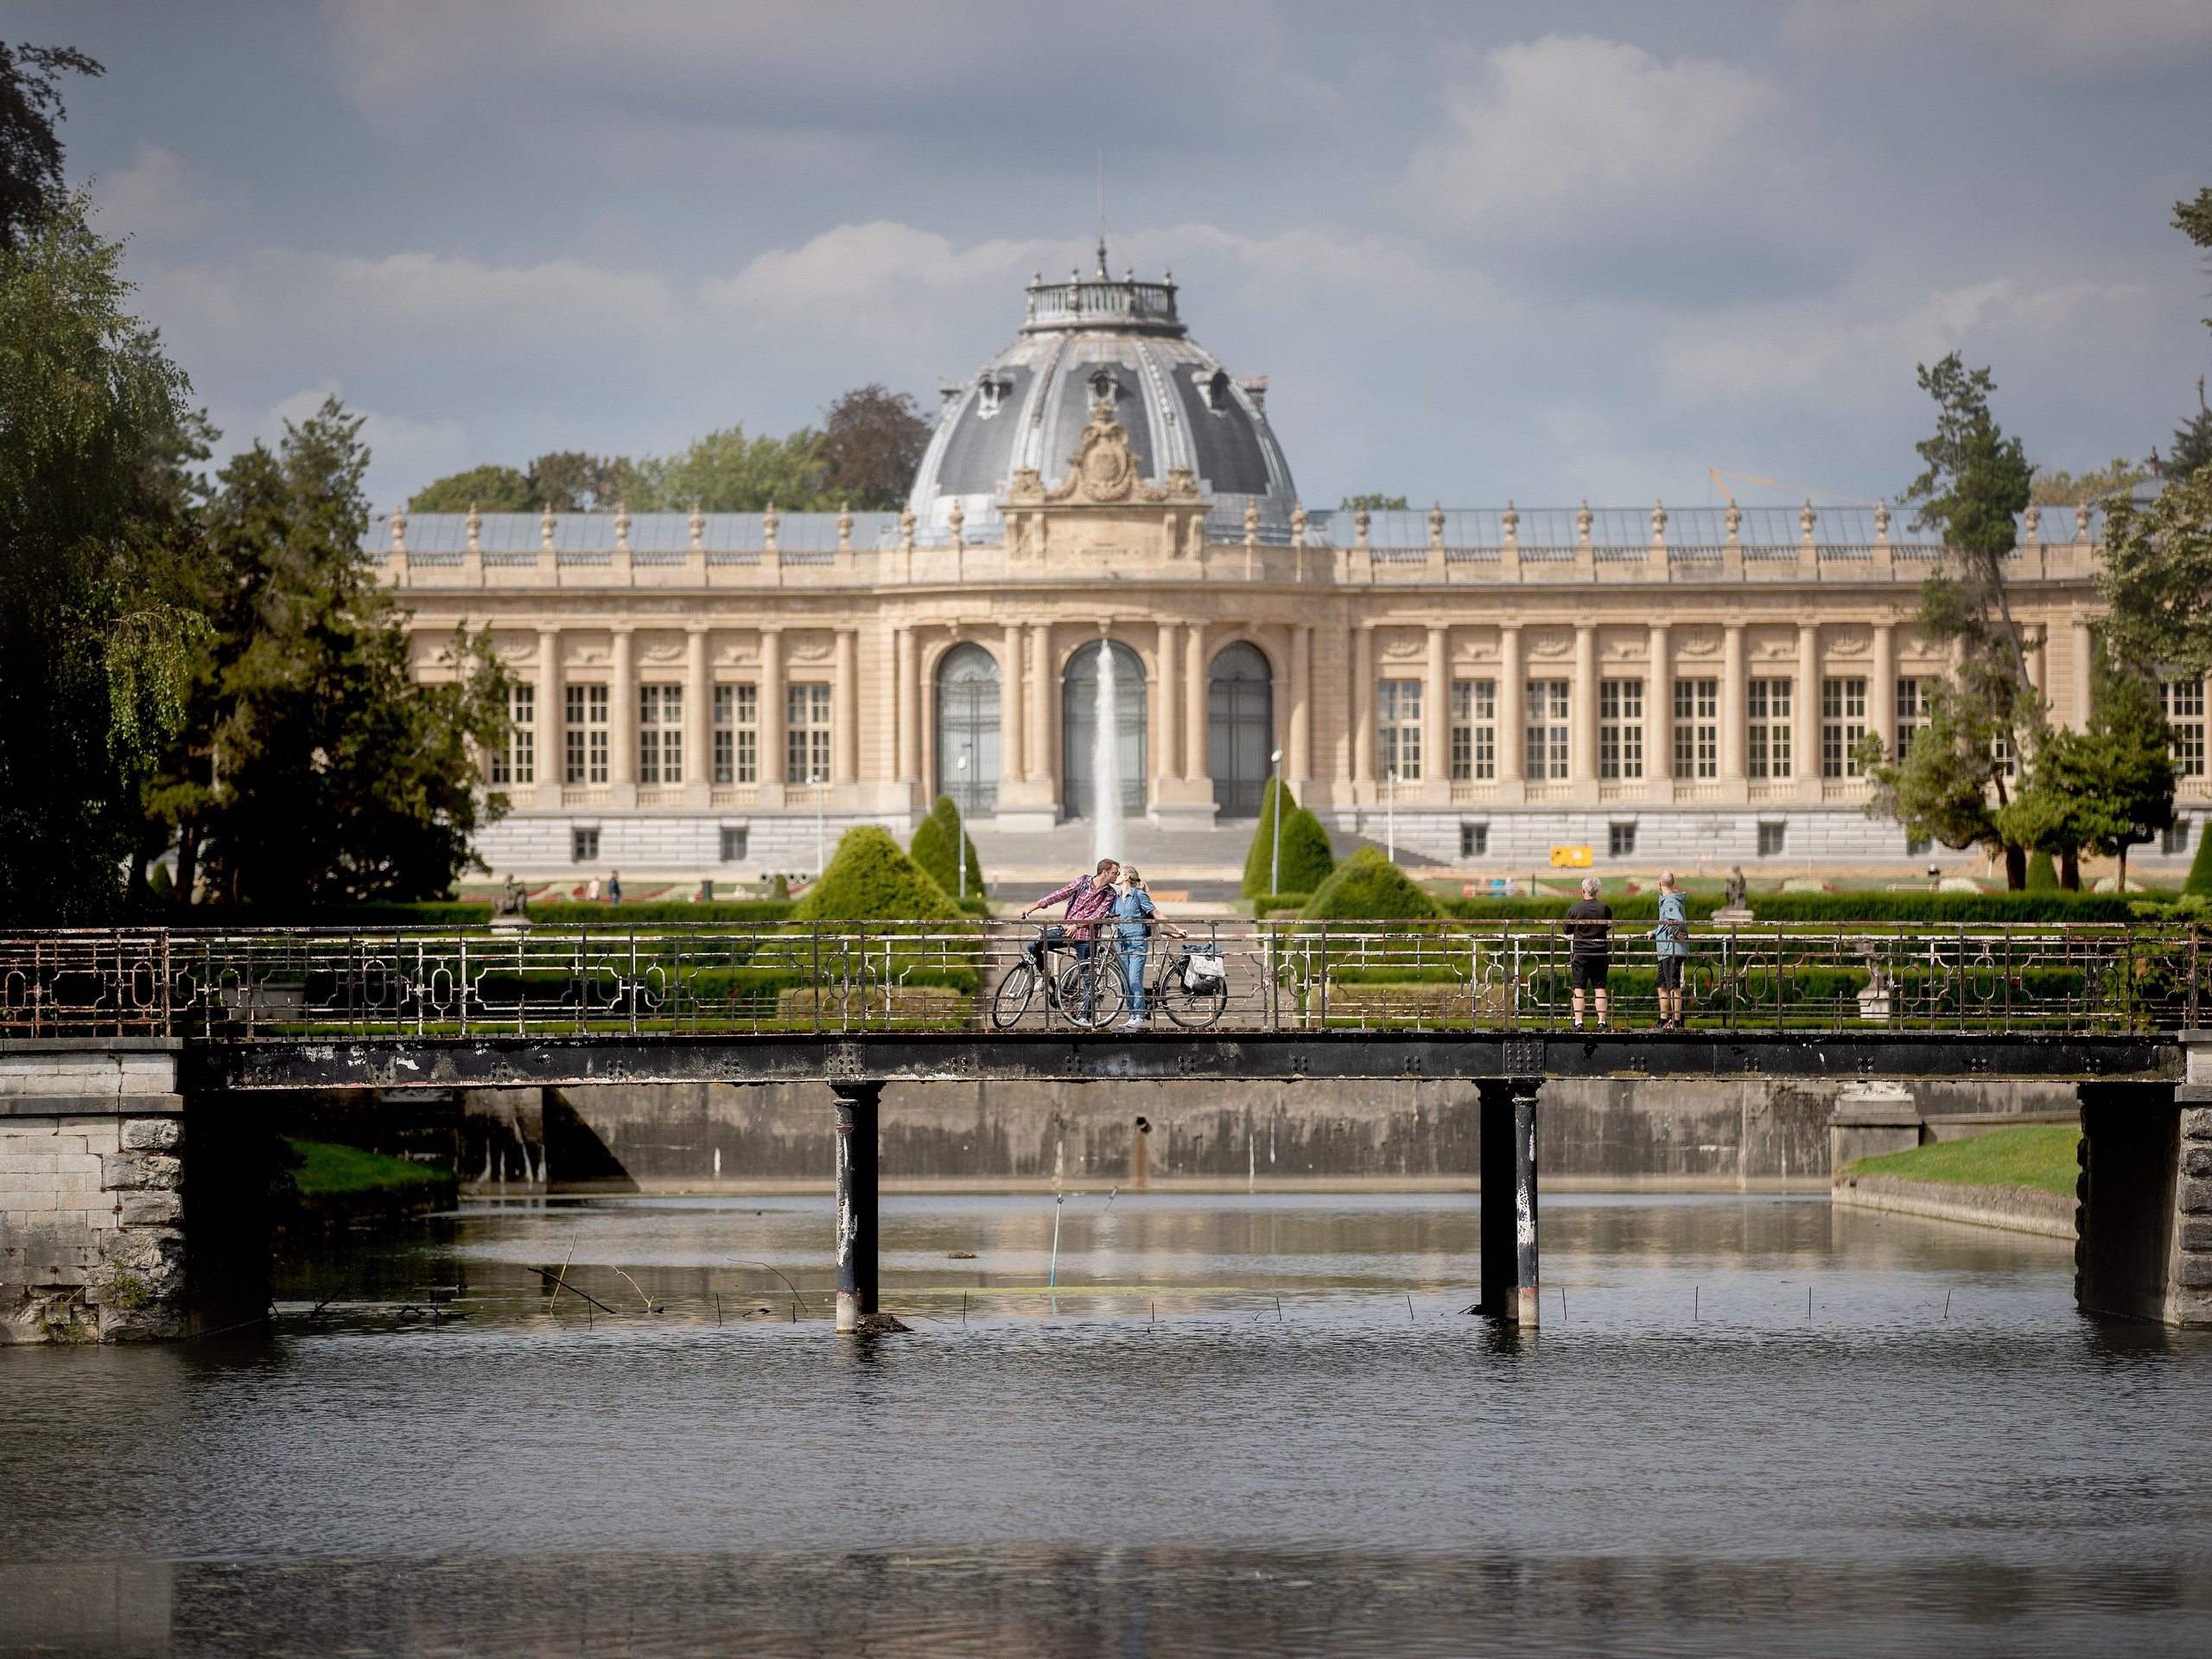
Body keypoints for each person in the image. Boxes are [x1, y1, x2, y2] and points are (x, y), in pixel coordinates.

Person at [1023, 858, 1122, 1014]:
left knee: (1088, 977)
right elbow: (1059, 894)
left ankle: (1086, 1017)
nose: (1118, 876)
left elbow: (1098, 915)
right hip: (1066, 931)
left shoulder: (1110, 893)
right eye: (1115, 873)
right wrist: (1032, 908)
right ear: (1105, 872)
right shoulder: (1083, 881)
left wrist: (1077, 925)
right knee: (1033, 945)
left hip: (1086, 936)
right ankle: (1046, 978)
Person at [1112, 868, 1187, 1029]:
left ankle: (1138, 1016)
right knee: (1125, 982)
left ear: (1126, 877)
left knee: (1134, 980)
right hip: (1122, 944)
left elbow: (1156, 913)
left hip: (1137, 943)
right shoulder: (1117, 898)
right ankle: (1131, 1015)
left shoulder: (1139, 895)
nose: (1116, 876)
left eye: (1119, 874)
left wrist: (1177, 928)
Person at [1563, 874, 1613, 1030]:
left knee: (1579, 988)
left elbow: (1566, 929)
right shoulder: (1604, 907)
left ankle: (1579, 1021)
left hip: (1581, 953)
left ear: (1583, 890)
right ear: (1597, 890)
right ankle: (1602, 1022)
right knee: (1600, 988)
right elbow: (1608, 925)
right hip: (1599, 952)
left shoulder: (1576, 908)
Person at [1653, 868, 1690, 1029]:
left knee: (1673, 986)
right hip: (1666, 950)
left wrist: (1677, 934)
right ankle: (1663, 1020)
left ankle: (1676, 1022)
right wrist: (1654, 932)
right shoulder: (1670, 900)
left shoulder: (1669, 901)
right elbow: (1667, 924)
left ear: (1660, 884)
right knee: (1661, 985)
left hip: (1670, 950)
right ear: (1673, 884)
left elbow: (1677, 920)